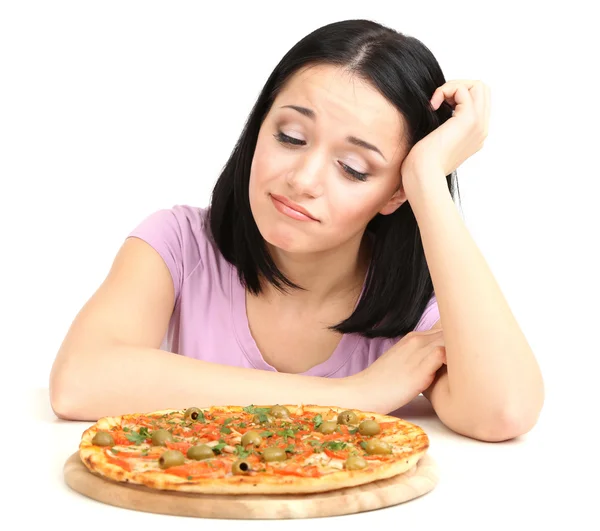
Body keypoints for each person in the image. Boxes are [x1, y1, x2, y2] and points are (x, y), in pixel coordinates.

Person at [49, 19, 544, 441]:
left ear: (396, 194)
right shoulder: (178, 244)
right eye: (290, 136)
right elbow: (79, 382)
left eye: (353, 167)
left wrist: (426, 178)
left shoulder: (418, 311)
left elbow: (505, 410)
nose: (302, 180)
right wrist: (351, 396)